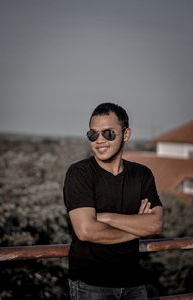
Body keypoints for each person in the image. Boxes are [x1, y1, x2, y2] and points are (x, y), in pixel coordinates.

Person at [63, 102, 163, 300]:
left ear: (126, 134)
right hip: (91, 285)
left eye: (108, 133)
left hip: (134, 283)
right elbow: (86, 231)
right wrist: (137, 226)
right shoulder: (80, 173)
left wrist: (105, 218)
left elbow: (155, 224)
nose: (99, 140)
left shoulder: (142, 174)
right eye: (93, 134)